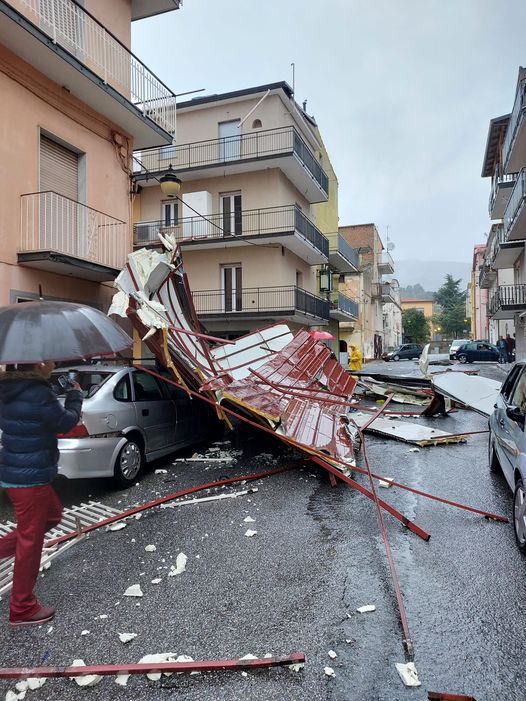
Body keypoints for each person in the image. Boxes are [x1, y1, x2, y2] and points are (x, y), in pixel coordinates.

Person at [0, 361, 82, 627]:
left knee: (53, 516)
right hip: (30, 478)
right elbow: (66, 422)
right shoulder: (38, 392)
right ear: (36, 364)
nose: (54, 364)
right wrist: (74, 396)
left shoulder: (7, 388)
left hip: (18, 473)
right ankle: (22, 607)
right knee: (30, 542)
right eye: (49, 360)